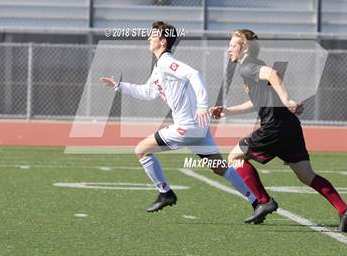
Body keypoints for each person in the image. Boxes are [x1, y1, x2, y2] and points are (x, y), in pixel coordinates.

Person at [99, 22, 273, 223]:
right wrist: (119, 86)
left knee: (141, 150)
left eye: (152, 36)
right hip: (196, 128)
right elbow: (148, 92)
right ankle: (257, 203)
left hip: (188, 127)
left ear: (163, 42)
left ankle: (165, 193)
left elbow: (194, 74)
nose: (149, 38)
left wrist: (202, 105)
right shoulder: (160, 66)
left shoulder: (166, 62)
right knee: (219, 167)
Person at [209, 29, 347, 231]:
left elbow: (274, 74)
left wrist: (287, 100)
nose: (229, 49)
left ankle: (263, 201)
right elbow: (256, 103)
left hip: (274, 128)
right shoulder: (251, 67)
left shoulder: (248, 67)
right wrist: (226, 111)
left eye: (232, 45)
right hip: (289, 127)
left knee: (235, 157)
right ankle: (344, 209)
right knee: (306, 175)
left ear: (244, 48)